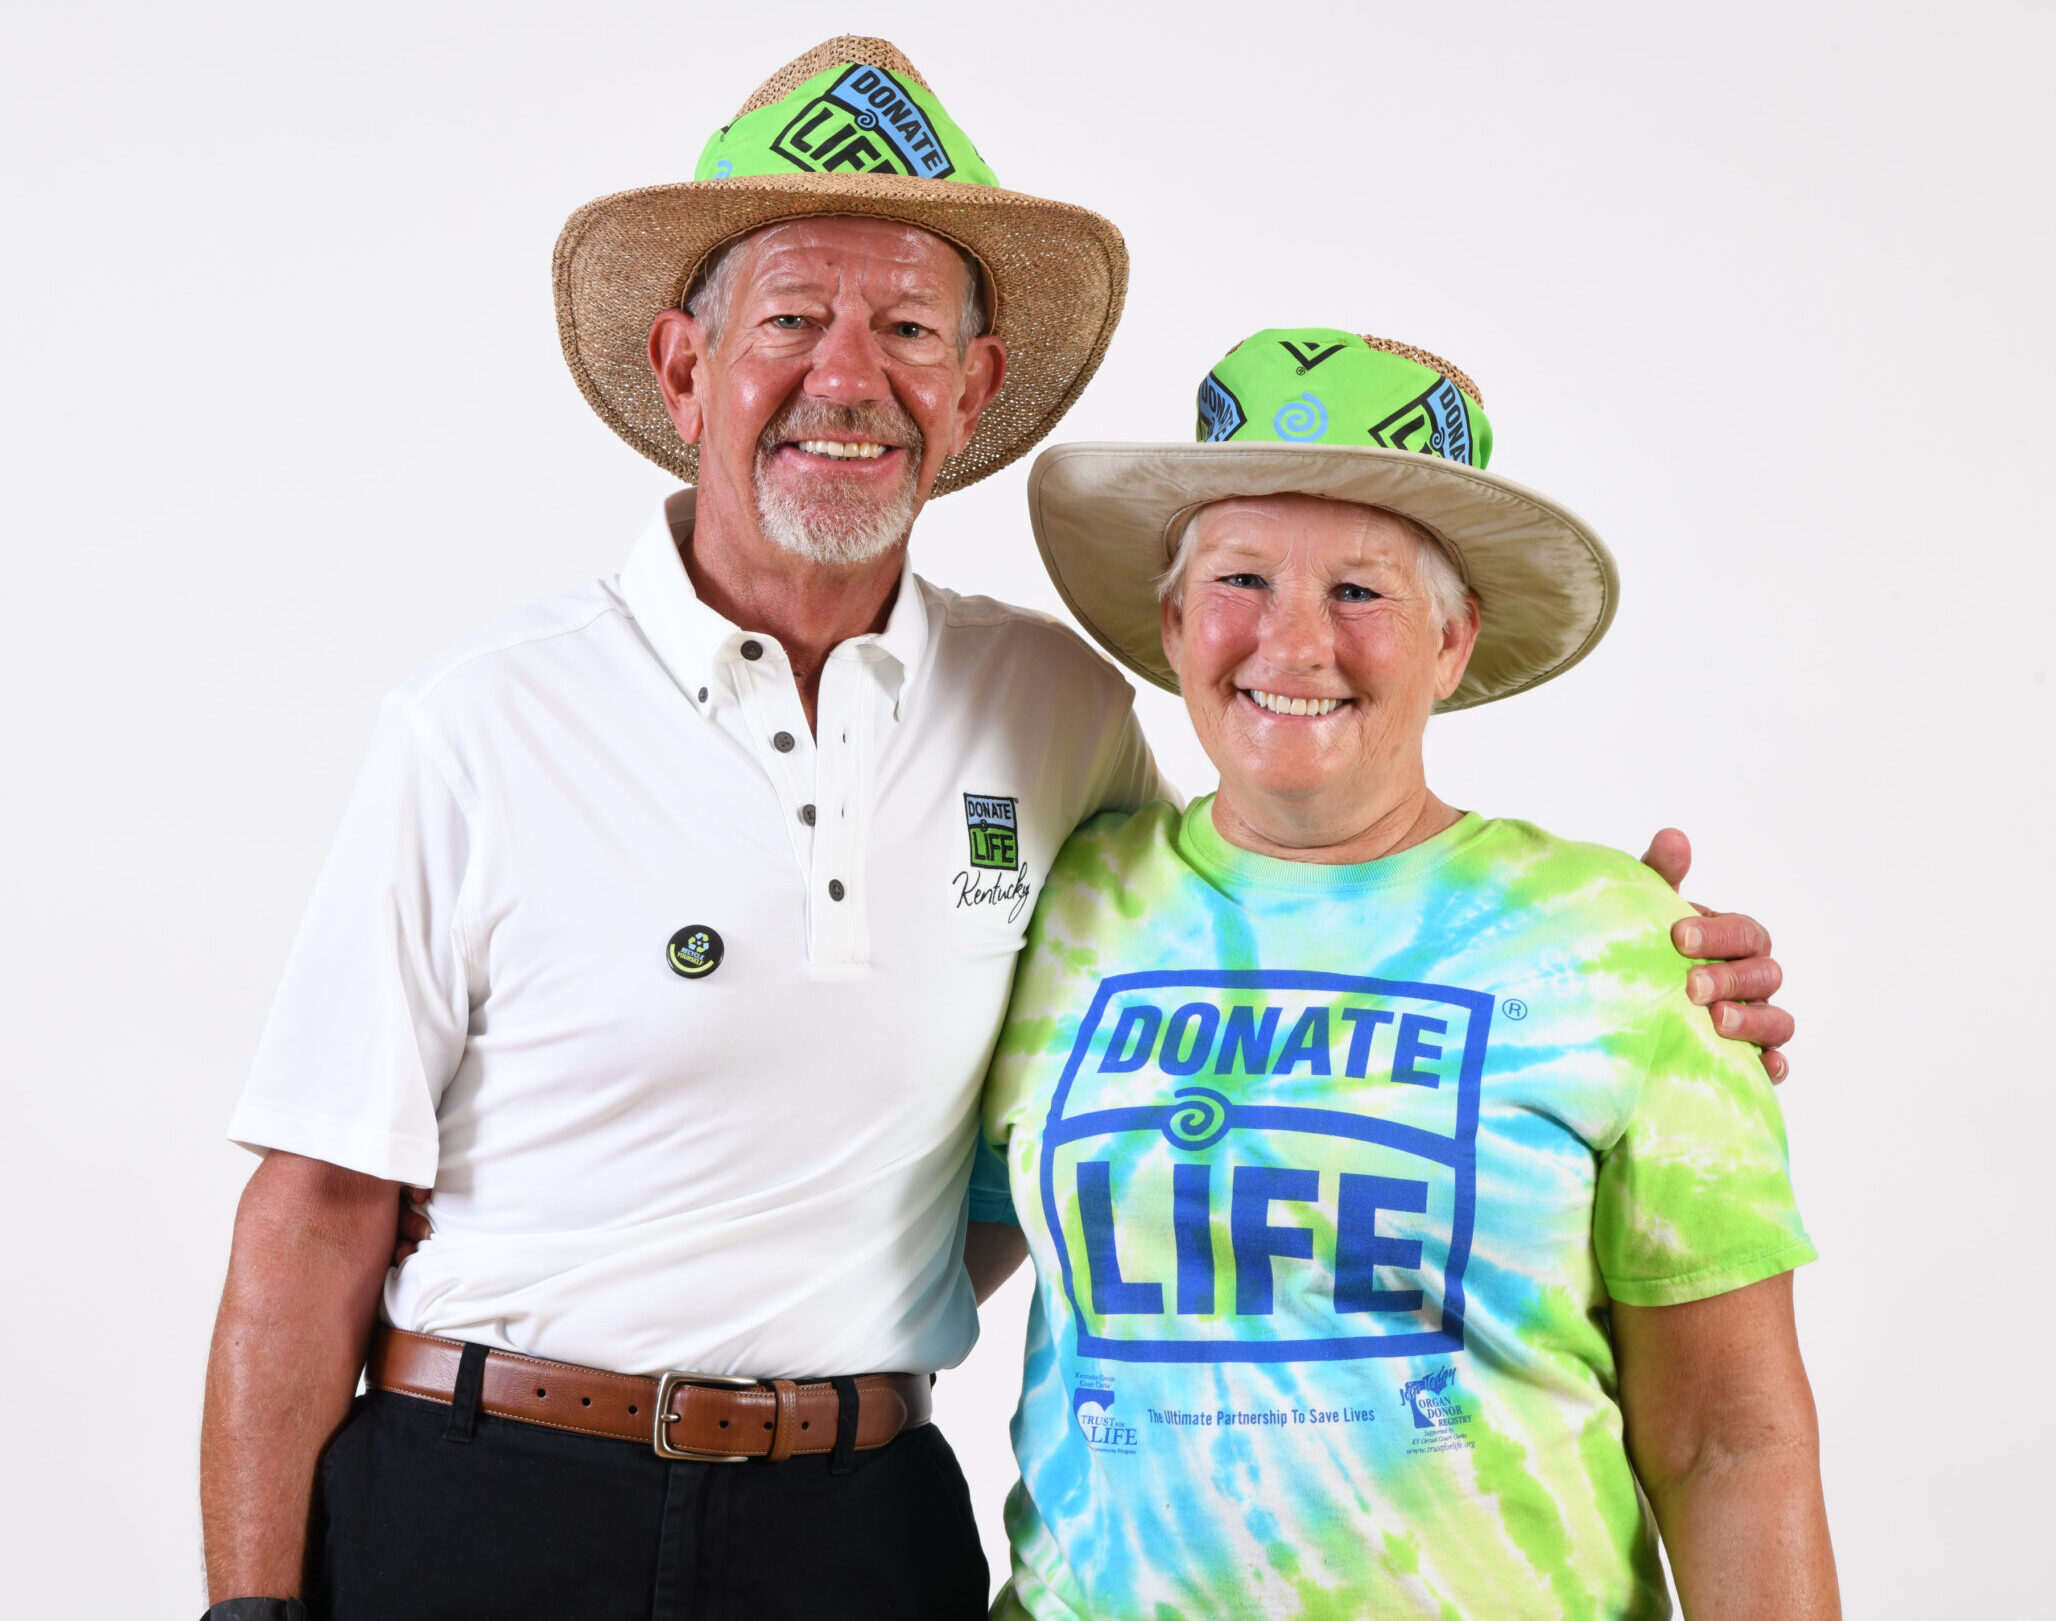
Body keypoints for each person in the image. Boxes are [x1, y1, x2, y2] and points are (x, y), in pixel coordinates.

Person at [199, 33, 1794, 1621]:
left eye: (905, 326)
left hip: (853, 1522)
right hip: (490, 1493)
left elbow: (1257, 940)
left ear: (969, 388)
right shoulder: (482, 720)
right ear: (686, 366)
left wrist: (1650, 975)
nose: (848, 376)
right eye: (795, 321)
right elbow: (313, 1210)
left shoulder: (1057, 722)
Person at [977, 328, 1837, 1619]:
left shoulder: (1616, 941)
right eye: (1243, 576)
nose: (1294, 640)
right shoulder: (1056, 909)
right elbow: (905, 1241)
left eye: (1363, 592)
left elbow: (1732, 1442)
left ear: (1451, 639)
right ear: (1171, 622)